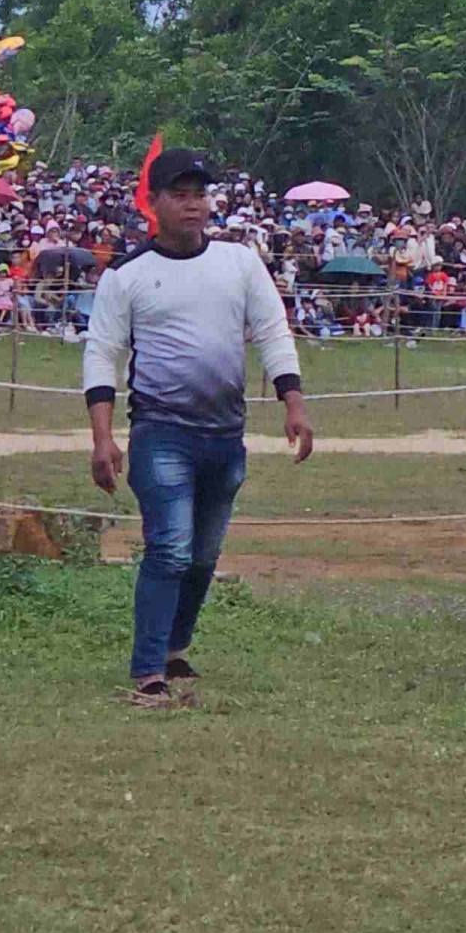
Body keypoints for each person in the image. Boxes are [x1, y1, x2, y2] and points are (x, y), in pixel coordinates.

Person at [82, 150, 315, 709]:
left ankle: (174, 646)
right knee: (169, 548)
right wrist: (102, 437)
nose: (193, 203)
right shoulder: (127, 276)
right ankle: (147, 671)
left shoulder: (239, 263)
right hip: (161, 431)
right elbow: (101, 354)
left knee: (205, 555)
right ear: (154, 203)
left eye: (200, 193)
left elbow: (272, 331)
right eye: (180, 193)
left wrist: (294, 404)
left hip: (224, 434)